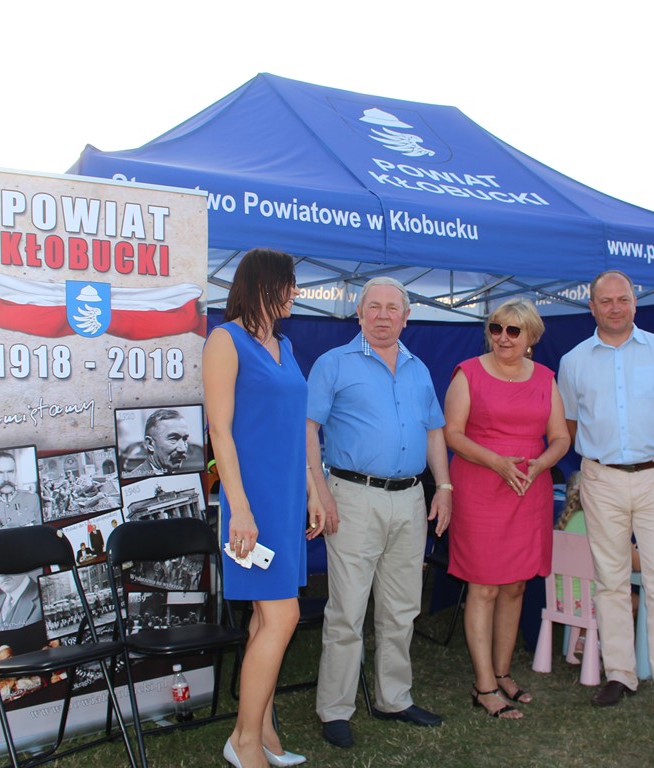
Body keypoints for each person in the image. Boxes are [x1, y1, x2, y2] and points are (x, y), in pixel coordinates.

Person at [307, 276, 452, 748]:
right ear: (359, 313)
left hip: (410, 498)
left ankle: (394, 698)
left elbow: (434, 431)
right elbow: (307, 430)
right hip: (353, 496)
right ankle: (335, 709)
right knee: (347, 610)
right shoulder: (333, 364)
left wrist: (444, 487)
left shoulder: (418, 368)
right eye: (374, 306)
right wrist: (319, 493)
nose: (383, 315)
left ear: (407, 317)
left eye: (393, 308)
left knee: (402, 606)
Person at [557, 270, 654, 734]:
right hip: (602, 480)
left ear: (635, 303)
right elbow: (570, 425)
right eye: (606, 301)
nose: (615, 307)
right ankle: (620, 673)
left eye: (623, 299)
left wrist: (647, 456)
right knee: (611, 580)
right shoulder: (574, 361)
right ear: (592, 307)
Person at [202, 248, 325, 768]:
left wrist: (313, 489)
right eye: (288, 283)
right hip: (250, 503)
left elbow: (295, 428)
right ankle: (244, 741)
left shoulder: (285, 345)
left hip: (285, 498)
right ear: (263, 285)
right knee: (282, 616)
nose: (295, 293)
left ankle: (264, 732)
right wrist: (240, 509)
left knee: (265, 618)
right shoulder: (224, 340)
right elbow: (219, 431)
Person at [443, 298, 570, 719]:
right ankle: (483, 686)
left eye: (513, 330)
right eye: (496, 328)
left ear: (531, 336)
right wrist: (497, 462)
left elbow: (560, 438)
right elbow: (453, 434)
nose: (502, 337)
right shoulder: (468, 373)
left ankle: (502, 672)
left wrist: (541, 463)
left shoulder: (546, 378)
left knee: (516, 585)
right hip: (480, 488)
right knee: (483, 587)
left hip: (529, 490)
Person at [124, 408, 204, 478]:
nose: (183, 449)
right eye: (173, 439)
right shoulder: (135, 478)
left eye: (185, 439)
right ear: (150, 444)